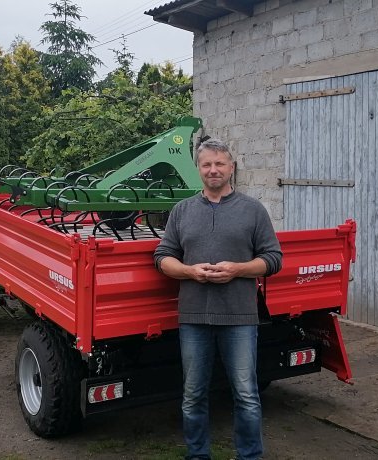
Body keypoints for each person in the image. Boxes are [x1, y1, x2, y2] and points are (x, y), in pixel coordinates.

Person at [153, 138, 283, 460]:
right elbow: (162, 257)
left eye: (219, 164)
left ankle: (249, 456)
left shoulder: (253, 210)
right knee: (193, 395)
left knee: (246, 394)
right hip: (194, 318)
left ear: (231, 167)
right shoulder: (182, 211)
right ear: (198, 169)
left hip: (239, 317)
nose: (213, 170)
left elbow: (273, 259)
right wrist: (189, 271)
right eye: (207, 164)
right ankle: (198, 455)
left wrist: (238, 269)